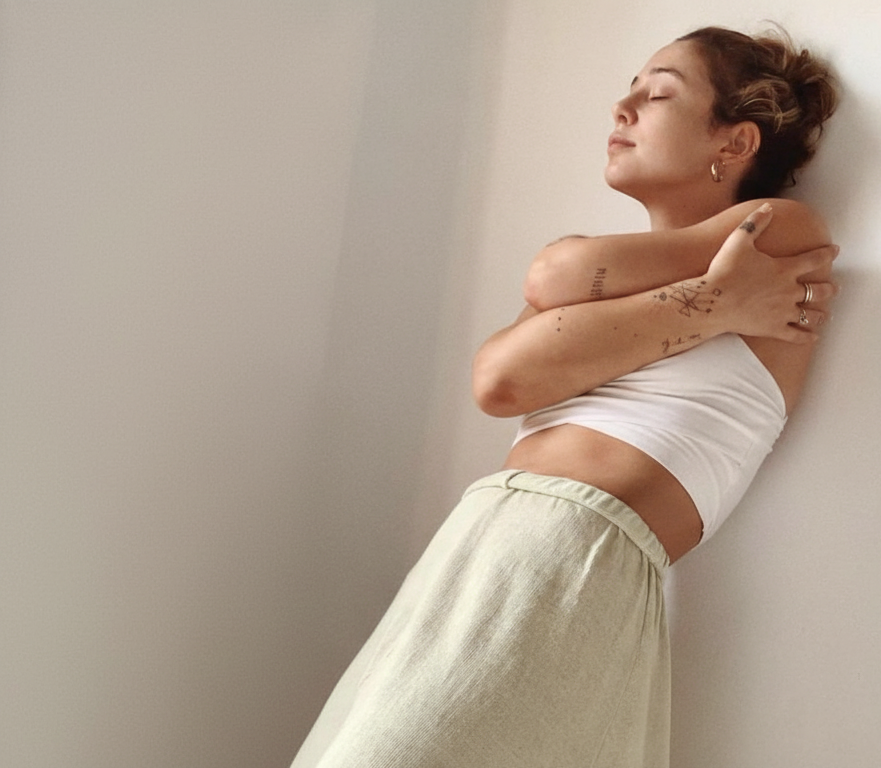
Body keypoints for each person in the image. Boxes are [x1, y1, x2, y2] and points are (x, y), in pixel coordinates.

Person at [291, 24, 839, 768]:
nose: (623, 107)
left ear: (735, 144)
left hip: (578, 549)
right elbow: (499, 382)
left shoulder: (782, 236)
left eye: (659, 93)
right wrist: (714, 301)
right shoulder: (683, 275)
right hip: (482, 542)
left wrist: (713, 292)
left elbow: (552, 277)